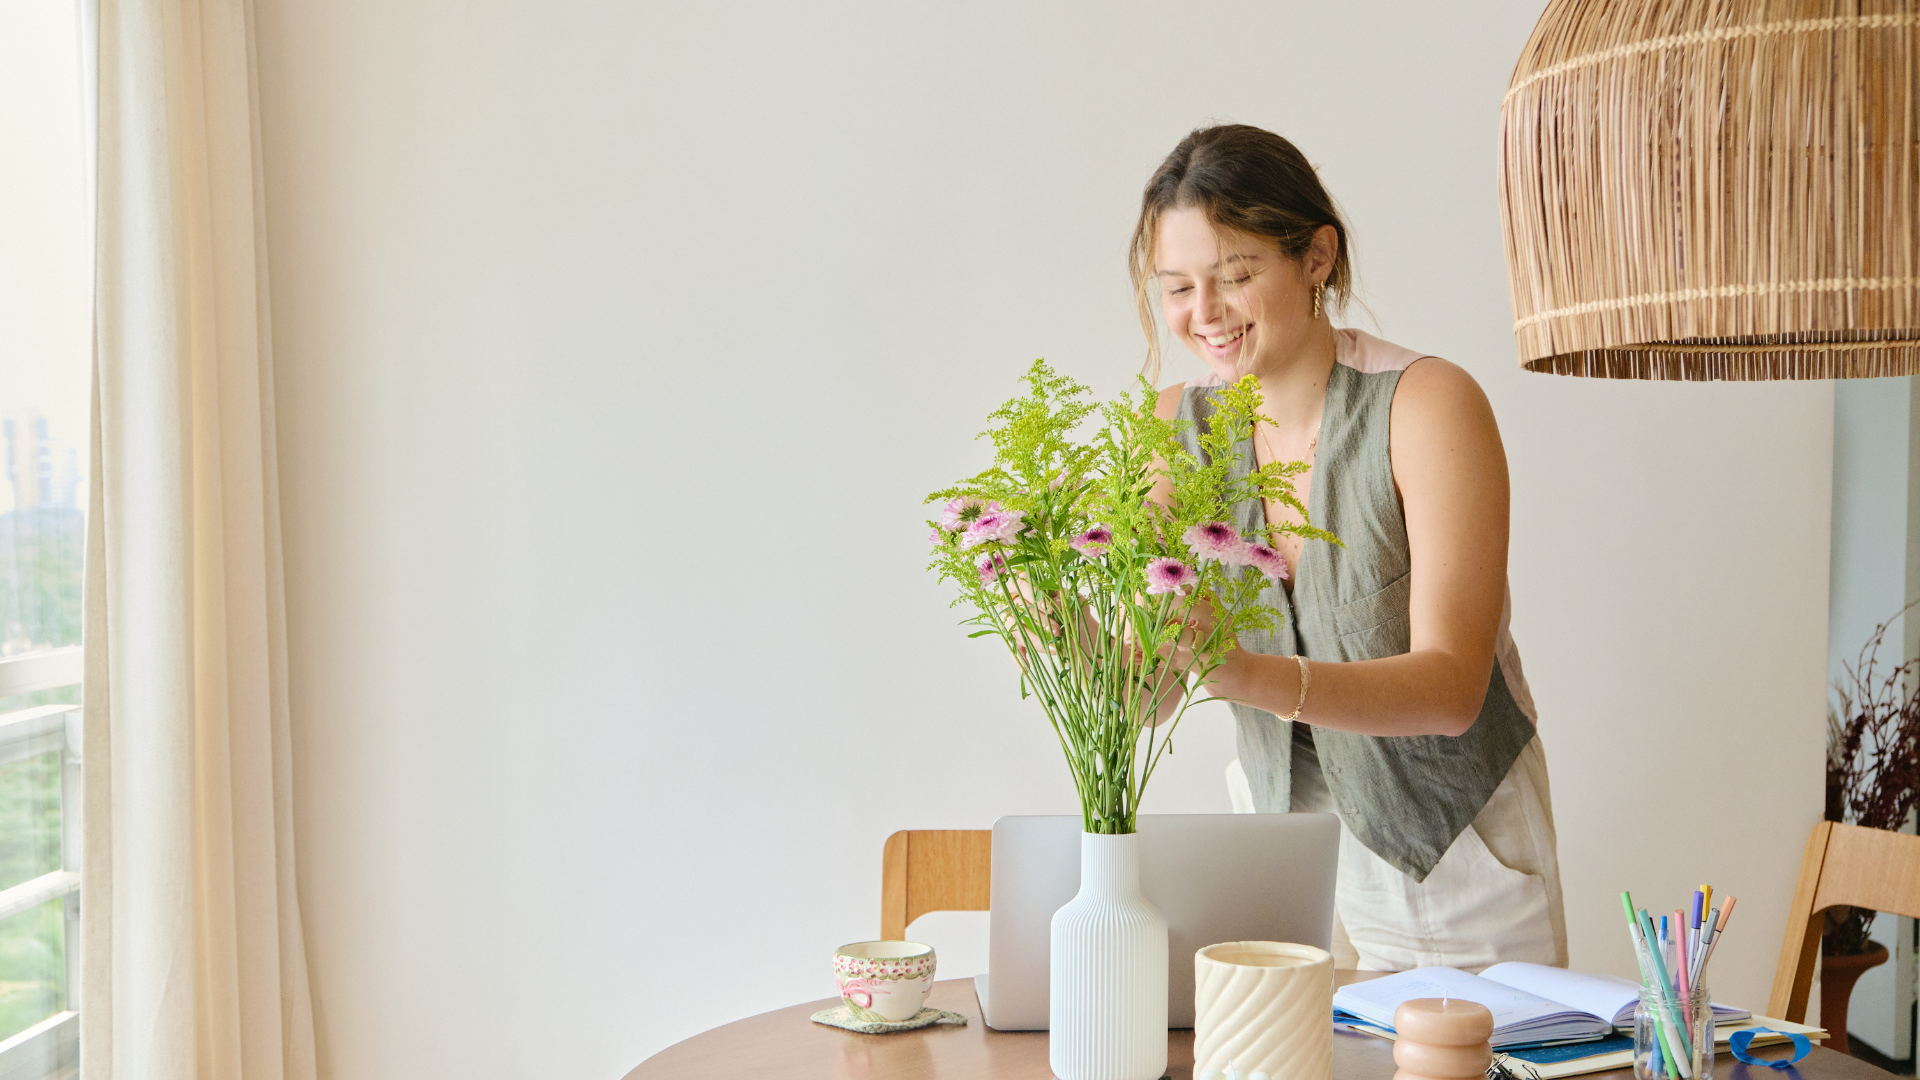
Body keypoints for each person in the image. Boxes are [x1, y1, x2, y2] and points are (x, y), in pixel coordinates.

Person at [1136, 124, 1565, 973]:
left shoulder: (1426, 406)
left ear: (1317, 257)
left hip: (1449, 848)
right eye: (1178, 287)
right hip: (1278, 853)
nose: (1204, 315)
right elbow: (1148, 693)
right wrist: (1054, 620)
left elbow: (1451, 687)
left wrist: (1240, 671)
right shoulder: (1170, 429)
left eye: (1236, 275)